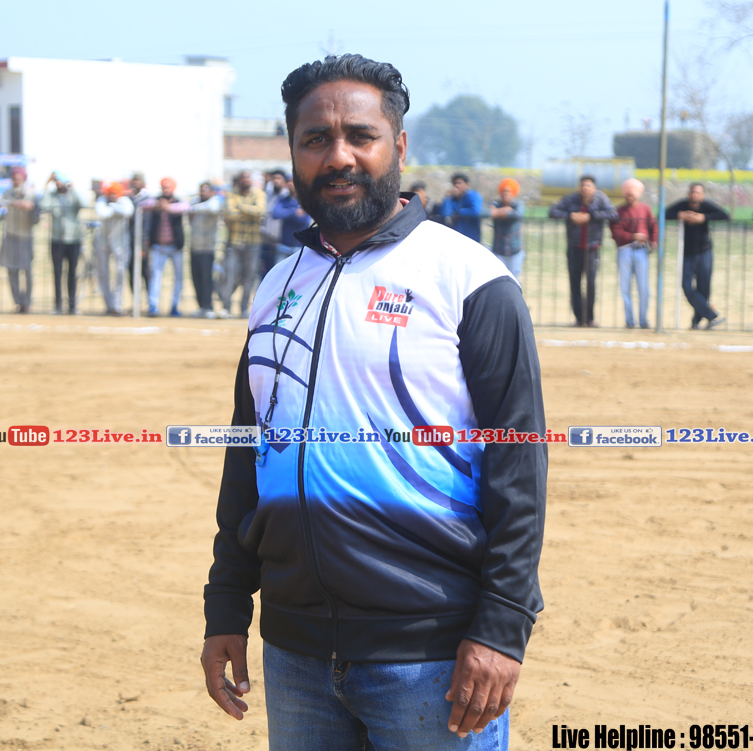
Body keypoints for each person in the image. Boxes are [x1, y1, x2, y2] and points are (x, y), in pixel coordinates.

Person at [201, 54, 546, 750]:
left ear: (399, 146)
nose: (339, 157)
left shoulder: (470, 280)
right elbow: (248, 456)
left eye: (361, 136)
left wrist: (502, 627)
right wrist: (226, 606)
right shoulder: (274, 288)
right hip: (294, 655)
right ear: (292, 152)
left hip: (431, 656)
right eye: (316, 139)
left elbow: (519, 469)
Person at [549, 175, 616, 327]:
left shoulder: (601, 199)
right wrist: (571, 216)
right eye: (583, 185)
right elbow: (553, 211)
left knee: (591, 283)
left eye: (588, 186)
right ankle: (579, 318)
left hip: (592, 248)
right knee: (575, 283)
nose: (585, 189)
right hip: (574, 247)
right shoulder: (571, 199)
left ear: (594, 188)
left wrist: (592, 216)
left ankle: (589, 318)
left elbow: (613, 214)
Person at [665, 183, 730, 329]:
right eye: (693, 192)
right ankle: (712, 316)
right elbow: (663, 214)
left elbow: (725, 215)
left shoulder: (706, 206)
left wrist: (703, 218)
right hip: (687, 253)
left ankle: (696, 321)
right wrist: (679, 215)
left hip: (704, 252)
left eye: (698, 193)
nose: (695, 195)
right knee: (686, 286)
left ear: (702, 195)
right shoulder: (682, 205)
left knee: (703, 289)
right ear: (689, 194)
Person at [611, 178, 657, 329]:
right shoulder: (619, 211)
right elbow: (616, 232)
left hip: (641, 250)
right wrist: (633, 236)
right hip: (624, 250)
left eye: (633, 194)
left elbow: (653, 226)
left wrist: (653, 241)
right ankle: (629, 320)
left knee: (644, 288)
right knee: (625, 287)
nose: (630, 197)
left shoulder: (646, 209)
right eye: (628, 194)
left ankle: (643, 320)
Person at [0, 167, 38, 313]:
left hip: (25, 237)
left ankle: (27, 302)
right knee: (11, 270)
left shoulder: (31, 194)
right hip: (10, 235)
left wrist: (30, 207)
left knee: (27, 270)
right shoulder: (7, 193)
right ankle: (18, 302)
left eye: (19, 178)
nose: (16, 181)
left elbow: (36, 217)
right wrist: (12, 203)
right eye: (14, 178)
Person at [220, 169, 266, 318]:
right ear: (239, 180)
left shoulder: (258, 194)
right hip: (234, 242)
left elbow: (260, 211)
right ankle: (226, 307)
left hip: (253, 243)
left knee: (249, 277)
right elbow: (230, 214)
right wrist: (249, 212)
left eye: (248, 178)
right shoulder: (231, 194)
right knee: (229, 275)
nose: (246, 180)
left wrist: (240, 206)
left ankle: (244, 309)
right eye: (243, 178)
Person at [41, 172, 84, 315]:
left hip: (74, 240)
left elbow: (84, 203)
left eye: (60, 181)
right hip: (57, 240)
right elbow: (44, 205)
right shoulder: (52, 196)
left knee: (72, 274)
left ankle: (72, 306)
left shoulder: (73, 195)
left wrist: (73, 188)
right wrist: (47, 185)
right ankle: (58, 305)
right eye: (56, 181)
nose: (58, 184)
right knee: (57, 273)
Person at [94, 181, 134, 316]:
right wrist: (115, 208)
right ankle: (108, 304)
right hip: (103, 242)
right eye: (110, 194)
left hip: (120, 243)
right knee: (102, 273)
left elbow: (128, 211)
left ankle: (117, 305)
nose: (112, 196)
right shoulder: (102, 200)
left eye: (115, 194)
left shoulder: (125, 201)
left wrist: (111, 206)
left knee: (120, 273)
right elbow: (102, 213)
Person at [148, 177, 186, 317]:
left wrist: (169, 208)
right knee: (155, 276)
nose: (166, 190)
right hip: (158, 246)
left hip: (175, 247)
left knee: (178, 277)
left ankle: (175, 306)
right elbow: (142, 205)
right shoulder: (155, 201)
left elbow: (186, 207)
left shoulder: (179, 202)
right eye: (164, 187)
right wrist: (157, 205)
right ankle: (153, 306)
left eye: (168, 187)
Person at [188, 182, 223, 318]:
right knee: (196, 278)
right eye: (201, 190)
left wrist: (193, 208)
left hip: (208, 248)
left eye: (205, 190)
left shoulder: (214, 201)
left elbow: (212, 208)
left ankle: (208, 306)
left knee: (206, 279)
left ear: (211, 192)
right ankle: (201, 306)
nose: (203, 193)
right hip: (194, 247)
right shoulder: (195, 201)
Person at [270, 173, 311, 265]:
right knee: (280, 272)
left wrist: (286, 213)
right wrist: (293, 211)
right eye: (288, 181)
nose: (290, 184)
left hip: (300, 247)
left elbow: (303, 221)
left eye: (292, 181)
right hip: (284, 246)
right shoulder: (283, 200)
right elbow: (275, 214)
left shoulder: (306, 200)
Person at [490, 177, 525, 280]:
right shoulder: (495, 204)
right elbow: (488, 212)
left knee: (514, 280)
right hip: (499, 251)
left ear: (513, 193)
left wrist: (498, 212)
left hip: (515, 251)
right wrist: (506, 209)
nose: (505, 194)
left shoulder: (518, 204)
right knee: (499, 279)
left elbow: (516, 214)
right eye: (503, 191)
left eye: (508, 191)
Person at [127, 172, 153, 311]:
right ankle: (136, 302)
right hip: (130, 240)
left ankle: (150, 302)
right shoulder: (128, 199)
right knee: (131, 272)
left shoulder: (148, 200)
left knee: (146, 272)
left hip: (143, 241)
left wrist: (145, 242)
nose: (136, 183)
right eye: (134, 180)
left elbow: (148, 223)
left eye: (138, 180)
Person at [440, 172, 484, 241]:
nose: (456, 185)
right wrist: (448, 197)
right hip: (456, 237)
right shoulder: (452, 199)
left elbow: (475, 211)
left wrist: (459, 212)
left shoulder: (473, 195)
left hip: (472, 237)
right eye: (454, 184)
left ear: (467, 184)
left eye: (459, 183)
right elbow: (445, 214)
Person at [260, 169, 288, 277]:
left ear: (284, 181)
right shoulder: (268, 195)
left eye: (278, 178)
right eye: (274, 178)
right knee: (265, 269)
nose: (276, 181)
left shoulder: (286, 197)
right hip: (267, 239)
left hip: (280, 240)